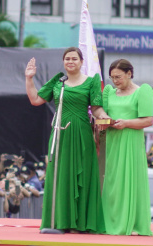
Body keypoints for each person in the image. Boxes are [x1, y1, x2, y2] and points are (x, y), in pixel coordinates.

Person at [25, 47, 108, 233]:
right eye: (67, 59)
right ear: (63, 62)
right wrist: (29, 78)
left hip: (81, 133)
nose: (70, 62)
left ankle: (81, 224)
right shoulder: (58, 82)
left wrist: (104, 116)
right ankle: (60, 222)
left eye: (74, 59)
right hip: (59, 133)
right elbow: (35, 100)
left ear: (81, 62)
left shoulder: (91, 81)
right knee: (60, 175)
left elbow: (96, 108)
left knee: (83, 175)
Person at [101, 59, 153, 236]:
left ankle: (132, 223)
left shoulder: (142, 91)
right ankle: (112, 221)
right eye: (112, 78)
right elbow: (102, 113)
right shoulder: (109, 92)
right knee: (113, 181)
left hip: (131, 140)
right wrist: (105, 121)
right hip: (113, 140)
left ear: (129, 73)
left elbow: (148, 120)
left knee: (130, 179)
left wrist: (127, 123)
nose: (115, 81)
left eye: (118, 77)